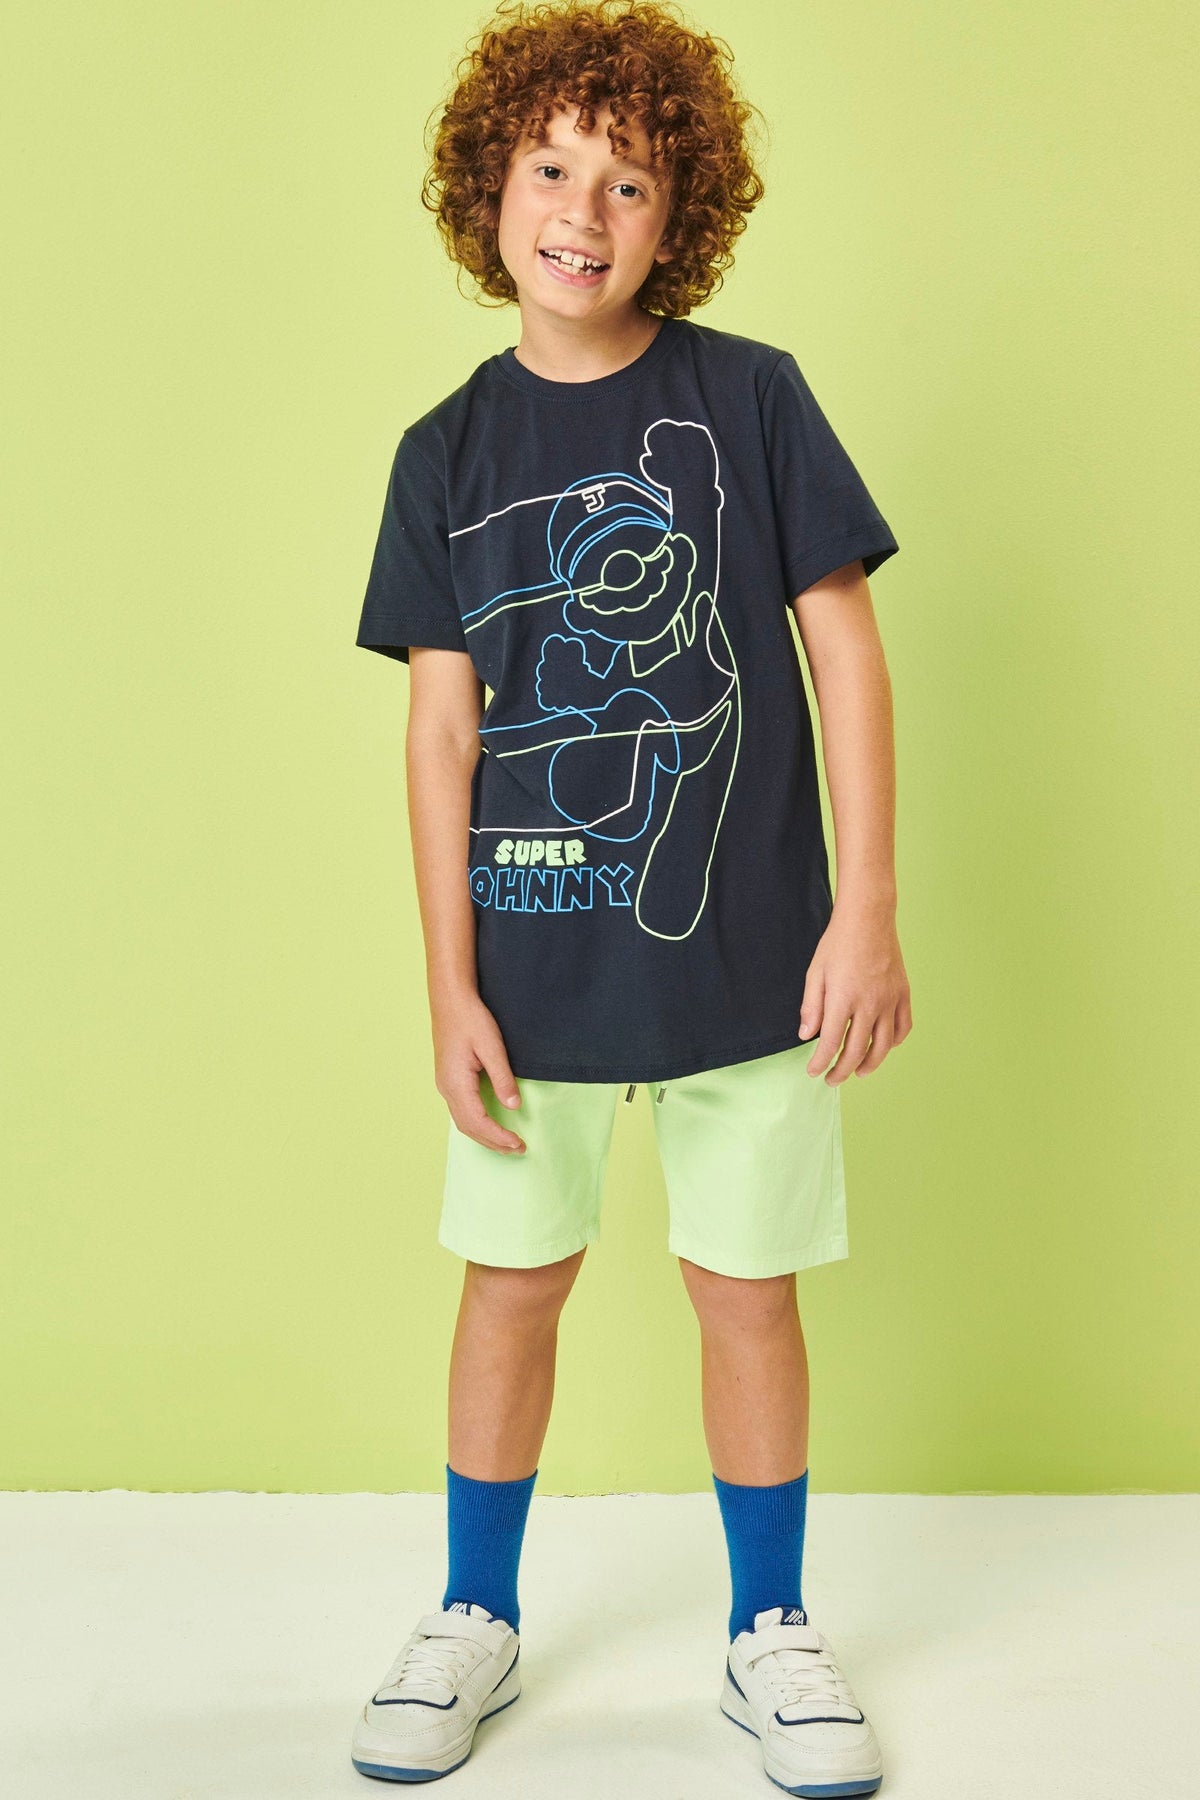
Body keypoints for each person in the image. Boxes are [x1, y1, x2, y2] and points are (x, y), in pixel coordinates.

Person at [349, 1, 911, 1791]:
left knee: (747, 1289)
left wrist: (868, 909)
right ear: (489, 189)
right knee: (512, 1287)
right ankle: (474, 1613)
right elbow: (443, 735)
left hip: (757, 962)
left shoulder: (749, 400)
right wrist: (449, 985)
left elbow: (845, 655)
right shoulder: (445, 454)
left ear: (684, 217)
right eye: (551, 168)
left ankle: (770, 1627)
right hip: (532, 974)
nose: (584, 211)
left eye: (631, 181)